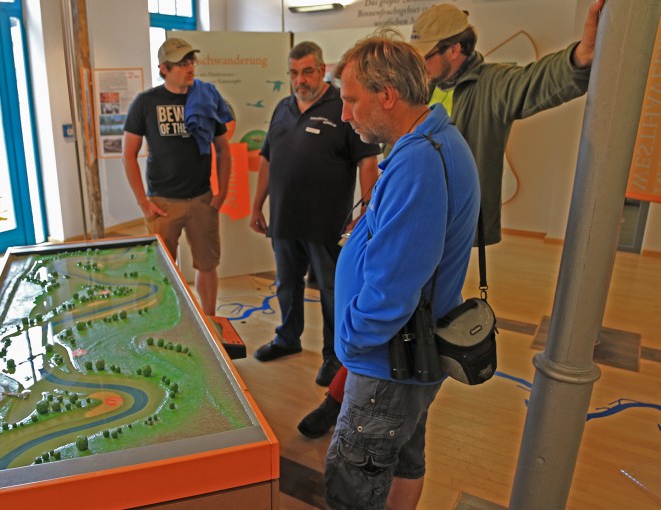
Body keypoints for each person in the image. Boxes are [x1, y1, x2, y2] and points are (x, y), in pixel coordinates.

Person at [297, 0, 603, 439]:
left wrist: (581, 58)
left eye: (426, 54)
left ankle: (349, 402)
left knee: (398, 317)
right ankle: (346, 400)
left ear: (455, 50)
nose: (418, 65)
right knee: (400, 364)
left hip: (430, 236)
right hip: (414, 234)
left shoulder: (488, 85)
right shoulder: (422, 91)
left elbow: (536, 82)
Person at [324, 34, 480, 510]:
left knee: (353, 484)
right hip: (407, 359)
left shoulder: (420, 162)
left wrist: (351, 340)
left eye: (352, 100)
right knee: (405, 461)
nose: (345, 115)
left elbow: (392, 291)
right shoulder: (432, 141)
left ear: (387, 95)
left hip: (386, 365)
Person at [249, 41, 380, 387]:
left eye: (307, 71)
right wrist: (256, 205)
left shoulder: (343, 105)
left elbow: (368, 161)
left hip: (326, 224)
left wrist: (366, 211)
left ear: (322, 70)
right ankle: (287, 338)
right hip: (284, 220)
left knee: (333, 292)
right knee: (287, 285)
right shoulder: (282, 108)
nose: (300, 80)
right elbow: (267, 160)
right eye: (293, 73)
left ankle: (334, 356)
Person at [123, 38, 231, 316]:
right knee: (162, 268)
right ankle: (168, 320)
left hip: (201, 199)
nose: (189, 68)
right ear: (164, 68)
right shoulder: (146, 103)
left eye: (190, 61)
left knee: (207, 265)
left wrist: (221, 194)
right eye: (181, 64)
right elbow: (128, 154)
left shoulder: (206, 98)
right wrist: (143, 203)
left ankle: (209, 321)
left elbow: (222, 148)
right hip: (163, 203)